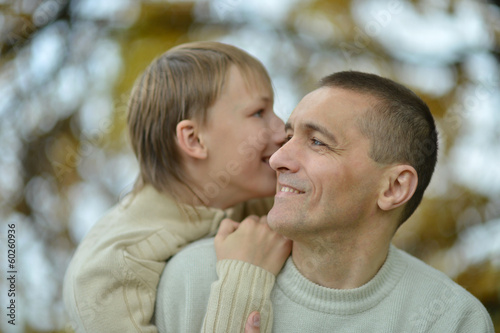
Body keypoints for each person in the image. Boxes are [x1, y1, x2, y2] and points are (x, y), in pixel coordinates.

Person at [155, 71, 495, 332]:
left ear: (393, 187)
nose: (277, 159)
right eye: (289, 137)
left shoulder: (451, 319)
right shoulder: (193, 279)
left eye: (317, 142)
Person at [62, 41, 292, 333]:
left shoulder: (247, 200)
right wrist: (243, 277)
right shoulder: (110, 271)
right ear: (194, 140)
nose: (282, 129)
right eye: (259, 112)